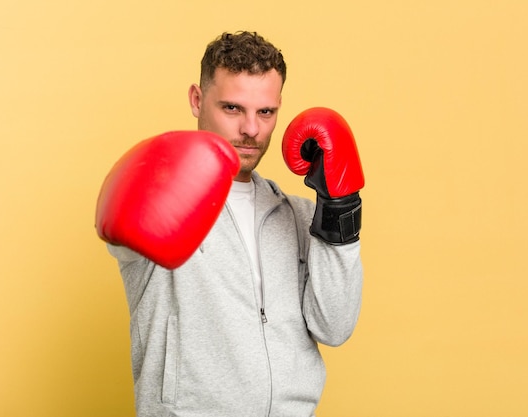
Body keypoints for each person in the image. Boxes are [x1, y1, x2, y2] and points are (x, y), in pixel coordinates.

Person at [96, 31, 364, 417]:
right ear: (197, 99)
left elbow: (334, 328)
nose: (251, 129)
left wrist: (340, 208)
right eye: (233, 108)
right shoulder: (163, 196)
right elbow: (125, 234)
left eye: (266, 112)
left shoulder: (302, 216)